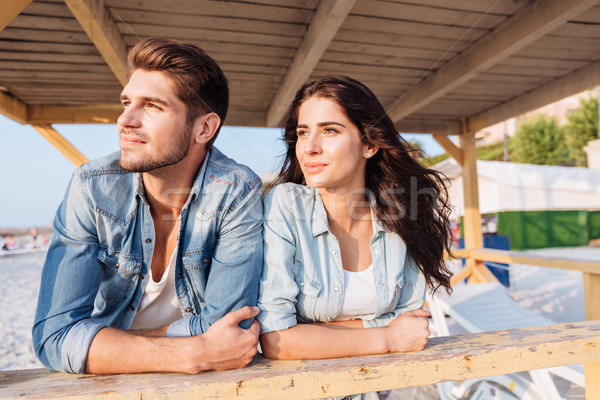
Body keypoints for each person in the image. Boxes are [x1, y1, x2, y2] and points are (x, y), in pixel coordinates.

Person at [33, 38, 263, 374]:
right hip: (122, 383)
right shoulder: (92, 187)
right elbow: (53, 336)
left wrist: (110, 345)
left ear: (204, 128)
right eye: (126, 103)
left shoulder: (235, 191)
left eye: (152, 106)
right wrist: (190, 353)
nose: (126, 120)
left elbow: (231, 329)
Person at [258, 76, 453, 368]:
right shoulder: (285, 205)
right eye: (302, 132)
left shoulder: (402, 214)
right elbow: (275, 339)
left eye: (329, 131)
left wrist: (309, 333)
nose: (309, 147)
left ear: (369, 145)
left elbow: (411, 325)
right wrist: (386, 337)